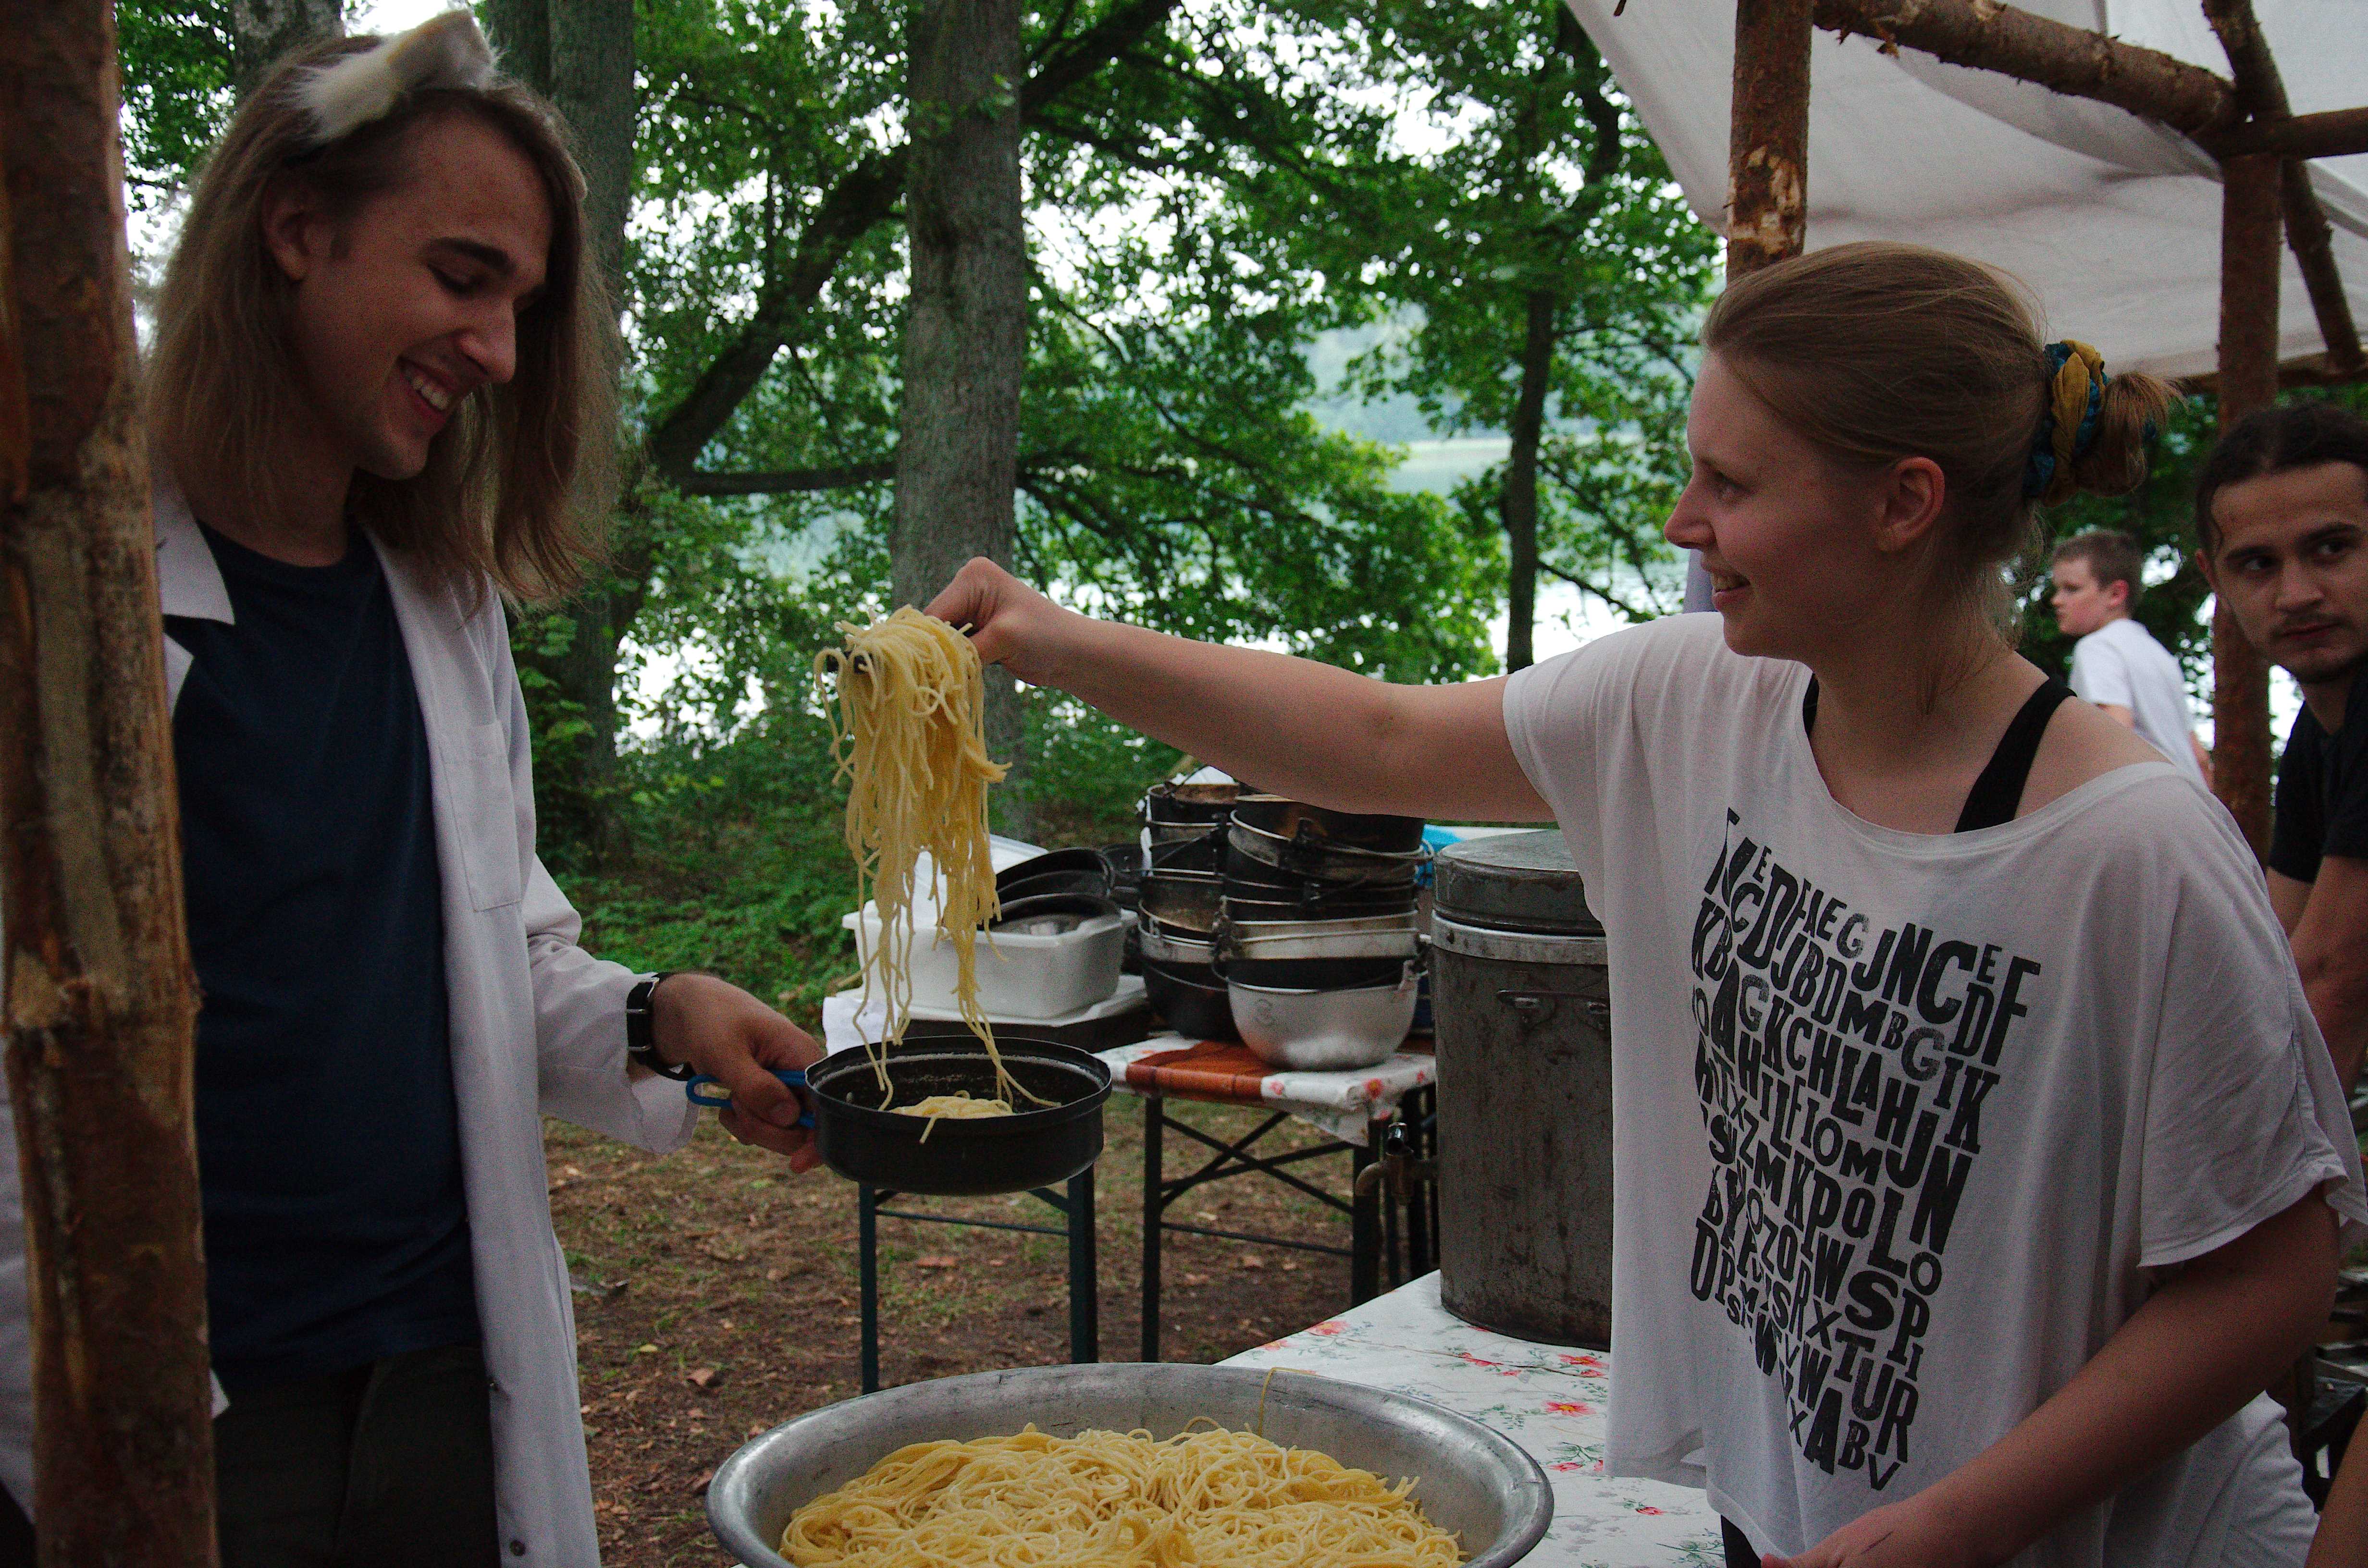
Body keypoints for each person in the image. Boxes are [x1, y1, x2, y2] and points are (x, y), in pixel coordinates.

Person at [925, 243, 2364, 1567]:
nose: (1686, 522)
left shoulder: (2129, 851)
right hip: (1787, 1507)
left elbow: (2274, 1275)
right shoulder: (1692, 702)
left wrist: (1948, 1525)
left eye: (1730, 484)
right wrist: (1049, 639)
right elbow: (1376, 739)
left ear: (1902, 502)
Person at [0, 18, 822, 1566]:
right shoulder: (72, 595)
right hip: (190, 1401)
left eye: (521, 306)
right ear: (296, 232)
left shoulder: (437, 608)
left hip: (442, 1376)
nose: (499, 351)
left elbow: (493, 953)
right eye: (462, 277)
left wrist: (658, 1015)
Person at [2195, 401, 2368, 1095]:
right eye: (2258, 564)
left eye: (2331, 549)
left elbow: (2331, 986)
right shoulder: (2319, 727)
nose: (2295, 594)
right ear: (2216, 583)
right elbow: (2273, 963)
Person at [2048, 530, 2211, 786]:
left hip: (2148, 798)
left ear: (2116, 594)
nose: (2057, 600)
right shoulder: (2158, 654)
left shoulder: (2098, 647)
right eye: (2058, 589)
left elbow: (2114, 734)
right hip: (2192, 797)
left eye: (2072, 589)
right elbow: (2199, 757)